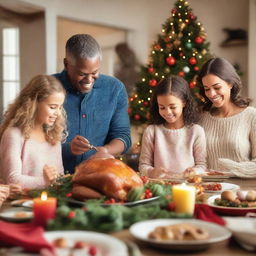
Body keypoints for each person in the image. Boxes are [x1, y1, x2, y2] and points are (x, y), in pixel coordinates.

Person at [54, 34, 131, 173]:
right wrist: (68, 148)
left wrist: (106, 150)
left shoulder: (115, 89)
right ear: (66, 64)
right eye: (82, 74)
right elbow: (33, 139)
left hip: (98, 176)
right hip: (52, 178)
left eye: (95, 72)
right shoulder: (48, 88)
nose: (89, 80)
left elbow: (123, 136)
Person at [0, 75, 66, 189]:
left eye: (60, 107)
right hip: (20, 204)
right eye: (53, 107)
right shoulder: (14, 135)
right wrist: (46, 182)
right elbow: (12, 179)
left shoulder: (53, 136)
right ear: (33, 104)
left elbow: (59, 178)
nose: (58, 113)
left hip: (50, 201)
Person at [139, 75, 207, 179]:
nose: (167, 112)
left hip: (188, 189)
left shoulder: (196, 131)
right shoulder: (151, 131)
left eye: (172, 107)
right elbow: (143, 166)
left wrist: (194, 171)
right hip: (161, 189)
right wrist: (151, 172)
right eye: (162, 107)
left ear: (184, 102)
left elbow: (202, 166)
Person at [197, 57, 256, 176]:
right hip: (208, 190)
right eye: (207, 89)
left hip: (242, 191)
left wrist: (229, 170)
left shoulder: (251, 116)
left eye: (217, 87)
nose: (211, 94)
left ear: (230, 83)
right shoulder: (201, 118)